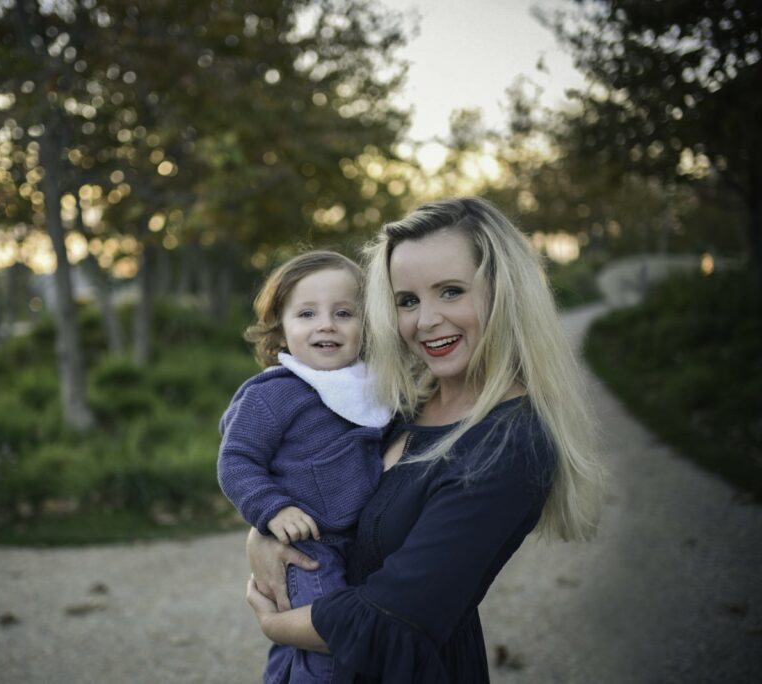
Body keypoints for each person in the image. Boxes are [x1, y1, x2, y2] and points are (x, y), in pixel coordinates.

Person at [244, 197, 605, 682]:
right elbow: (311, 488)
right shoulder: (400, 401)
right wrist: (261, 536)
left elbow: (393, 617)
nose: (426, 321)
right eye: (408, 301)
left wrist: (275, 625)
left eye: (451, 292)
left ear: (505, 293)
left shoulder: (509, 444)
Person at [218, 250, 394, 684]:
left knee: (296, 644)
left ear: (366, 324)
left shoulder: (371, 386)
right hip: (308, 549)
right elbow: (236, 460)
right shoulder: (273, 394)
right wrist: (273, 510)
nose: (326, 324)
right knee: (325, 642)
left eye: (344, 313)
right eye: (307, 313)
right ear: (280, 329)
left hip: (356, 543)